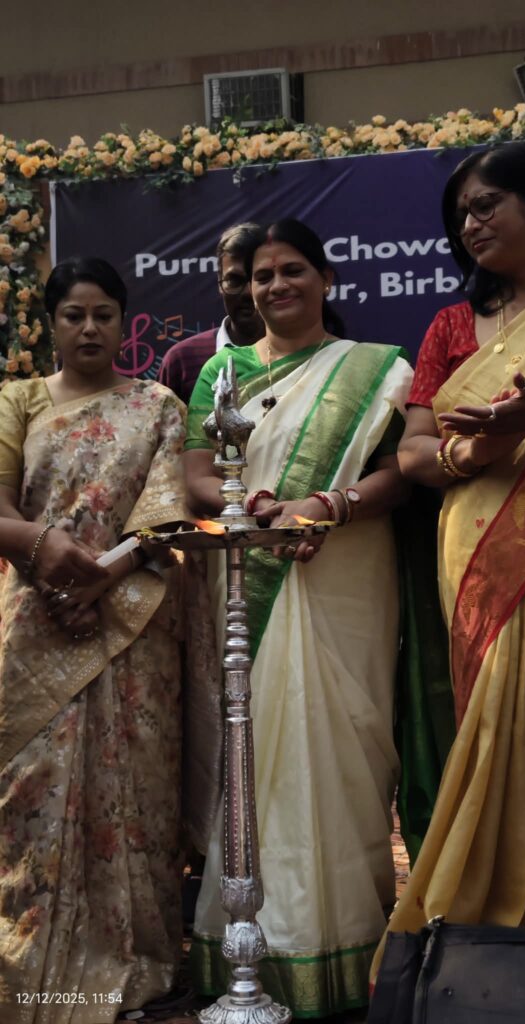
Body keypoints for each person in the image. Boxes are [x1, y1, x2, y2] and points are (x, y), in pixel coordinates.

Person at [183, 218, 414, 1017]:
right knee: (255, 752)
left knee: (343, 748)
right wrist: (252, 503)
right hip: (249, 572)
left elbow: (397, 473)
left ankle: (346, 945)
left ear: (325, 278)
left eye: (291, 270)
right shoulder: (221, 372)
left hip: (346, 571)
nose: (275, 285)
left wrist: (329, 503)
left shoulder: (376, 369)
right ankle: (255, 950)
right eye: (261, 275)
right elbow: (195, 474)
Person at [370, 141, 525, 985]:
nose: (471, 224)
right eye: (461, 215)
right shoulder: (453, 327)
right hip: (476, 551)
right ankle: (494, 952)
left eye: (487, 204)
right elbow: (414, 451)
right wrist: (475, 451)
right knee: (495, 732)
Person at [0, 257, 195, 1023]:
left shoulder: (157, 405)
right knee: (28, 794)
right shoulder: (16, 401)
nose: (89, 328)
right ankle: (25, 969)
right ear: (50, 324)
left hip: (130, 623)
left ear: (123, 322)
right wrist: (46, 556)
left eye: (103, 314)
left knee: (134, 793)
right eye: (73, 315)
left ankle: (132, 959)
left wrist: (97, 580)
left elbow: (164, 516)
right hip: (33, 620)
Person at [157, 222, 264, 404]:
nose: (248, 292)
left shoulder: (305, 355)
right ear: (219, 283)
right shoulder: (181, 361)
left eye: (259, 278)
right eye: (234, 280)